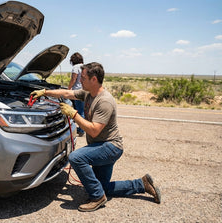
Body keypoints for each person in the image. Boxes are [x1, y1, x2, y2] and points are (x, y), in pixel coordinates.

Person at [30, 62, 161, 212]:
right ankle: (142, 184)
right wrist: (45, 92)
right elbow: (67, 93)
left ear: (94, 79)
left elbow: (93, 131)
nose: (80, 81)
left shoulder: (104, 101)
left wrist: (73, 114)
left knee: (76, 157)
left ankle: (98, 198)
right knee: (102, 187)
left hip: (110, 147)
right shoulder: (88, 94)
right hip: (101, 146)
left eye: (83, 78)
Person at [68, 52, 85, 137]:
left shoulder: (75, 67)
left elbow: (73, 79)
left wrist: (68, 89)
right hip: (85, 90)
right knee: (83, 110)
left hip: (77, 91)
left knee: (79, 111)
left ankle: (81, 130)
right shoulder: (84, 67)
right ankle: (81, 128)